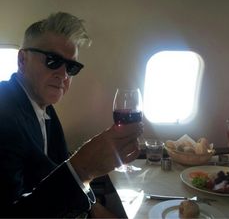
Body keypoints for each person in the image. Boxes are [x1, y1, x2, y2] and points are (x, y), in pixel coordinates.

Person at [0, 12, 143, 218]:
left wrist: (92, 206)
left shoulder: (44, 107)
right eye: (53, 60)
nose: (63, 74)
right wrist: (83, 169)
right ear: (22, 60)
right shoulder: (5, 115)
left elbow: (56, 169)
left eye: (71, 67)